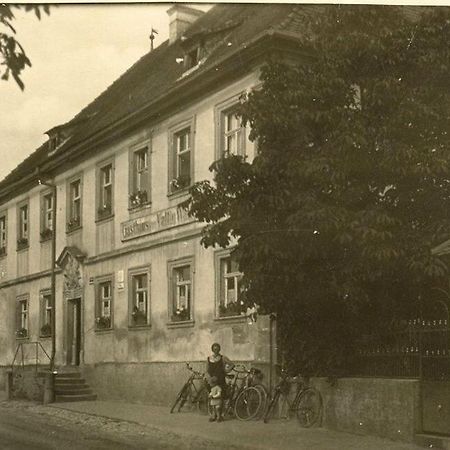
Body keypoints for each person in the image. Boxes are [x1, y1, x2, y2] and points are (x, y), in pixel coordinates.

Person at [206, 343, 233, 420]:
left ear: (219, 349)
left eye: (217, 349)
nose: (216, 350)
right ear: (212, 349)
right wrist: (209, 378)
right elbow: (207, 370)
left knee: (220, 397)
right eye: (214, 349)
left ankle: (219, 416)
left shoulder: (223, 358)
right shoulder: (208, 358)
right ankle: (213, 415)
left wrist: (226, 371)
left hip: (220, 380)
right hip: (212, 381)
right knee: (212, 398)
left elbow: (231, 364)